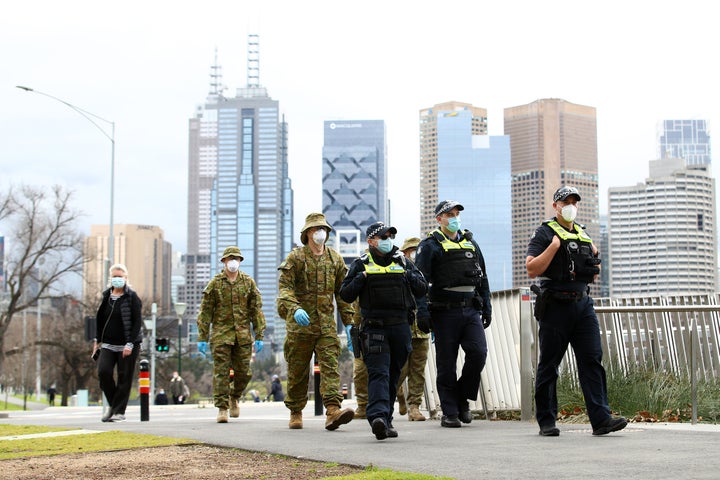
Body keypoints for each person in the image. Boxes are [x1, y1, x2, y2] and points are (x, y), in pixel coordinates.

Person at [526, 186, 627, 436]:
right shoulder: (545, 232)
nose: (570, 205)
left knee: (592, 360)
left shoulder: (583, 234)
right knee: (549, 364)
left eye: (574, 201)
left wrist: (593, 262)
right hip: (555, 305)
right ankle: (547, 420)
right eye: (565, 201)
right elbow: (531, 268)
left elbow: (593, 273)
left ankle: (601, 419)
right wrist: (553, 247)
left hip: (582, 305)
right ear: (555, 206)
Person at [340, 222, 428, 440]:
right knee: (379, 372)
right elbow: (345, 294)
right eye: (383, 236)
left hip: (400, 327)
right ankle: (377, 416)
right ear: (371, 241)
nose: (388, 239)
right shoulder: (361, 263)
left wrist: (409, 274)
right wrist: (361, 279)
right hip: (373, 328)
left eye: (390, 235)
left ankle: (385, 420)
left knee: (393, 374)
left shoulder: (402, 261)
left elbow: (422, 288)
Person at [415, 200, 492, 428]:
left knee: (478, 353)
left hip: (470, 310)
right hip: (443, 312)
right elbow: (420, 283)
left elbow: (483, 278)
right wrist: (421, 312)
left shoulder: (470, 243)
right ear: (439, 219)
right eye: (449, 214)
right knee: (446, 363)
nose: (454, 217)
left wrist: (487, 306)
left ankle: (462, 398)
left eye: (456, 213)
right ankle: (449, 412)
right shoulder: (430, 245)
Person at [276, 212, 356, 430]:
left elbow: (343, 293)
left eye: (323, 229)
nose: (320, 233)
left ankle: (332, 410)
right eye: (315, 229)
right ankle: (295, 411)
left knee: (331, 367)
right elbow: (285, 289)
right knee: (298, 371)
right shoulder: (295, 258)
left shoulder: (335, 259)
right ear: (307, 234)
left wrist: (349, 322)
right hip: (300, 326)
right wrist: (295, 308)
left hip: (326, 326)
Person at [197, 246, 266, 423]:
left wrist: (259, 334)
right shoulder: (215, 284)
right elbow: (205, 312)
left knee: (245, 372)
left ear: (240, 261)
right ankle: (222, 408)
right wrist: (202, 337)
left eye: (236, 258)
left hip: (242, 335)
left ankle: (234, 396)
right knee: (221, 372)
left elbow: (256, 310)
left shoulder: (248, 283)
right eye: (230, 258)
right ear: (224, 261)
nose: (233, 262)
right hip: (221, 335)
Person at [92, 263, 143, 423]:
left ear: (126, 278)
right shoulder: (106, 296)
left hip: (128, 344)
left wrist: (130, 344)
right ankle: (114, 406)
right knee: (104, 373)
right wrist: (97, 340)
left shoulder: (132, 297)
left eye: (120, 277)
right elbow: (100, 320)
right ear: (110, 278)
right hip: (108, 344)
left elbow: (137, 322)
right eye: (114, 276)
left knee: (124, 377)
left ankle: (118, 411)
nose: (117, 279)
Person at [395, 237, 430, 421]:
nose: (414, 254)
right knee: (400, 368)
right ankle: (390, 397)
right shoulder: (397, 270)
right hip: (402, 328)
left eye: (417, 250)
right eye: (411, 250)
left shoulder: (425, 272)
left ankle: (414, 407)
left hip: (422, 329)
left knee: (418, 370)